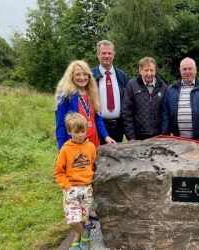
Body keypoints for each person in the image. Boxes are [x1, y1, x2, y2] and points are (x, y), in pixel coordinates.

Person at [54, 113, 96, 250]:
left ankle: (78, 240)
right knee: (73, 220)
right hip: (71, 189)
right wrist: (67, 186)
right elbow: (58, 172)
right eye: (76, 132)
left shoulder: (91, 147)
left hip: (87, 189)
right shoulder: (66, 149)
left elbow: (94, 166)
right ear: (69, 131)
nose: (80, 135)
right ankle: (85, 235)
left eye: (82, 131)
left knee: (83, 218)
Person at [55, 60, 115, 149]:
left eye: (85, 74)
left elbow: (98, 119)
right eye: (78, 74)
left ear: (89, 76)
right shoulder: (65, 95)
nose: (82, 77)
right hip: (75, 143)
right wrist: (61, 147)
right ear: (71, 76)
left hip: (93, 142)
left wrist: (106, 136)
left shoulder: (93, 93)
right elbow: (60, 124)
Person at [162, 57, 199, 142]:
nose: (187, 72)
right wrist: (165, 133)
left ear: (195, 70)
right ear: (180, 71)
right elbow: (165, 113)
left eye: (190, 69)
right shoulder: (171, 89)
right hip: (178, 139)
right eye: (184, 69)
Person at [91, 40, 128, 143]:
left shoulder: (122, 75)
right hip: (97, 125)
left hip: (118, 127)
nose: (107, 56)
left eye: (109, 53)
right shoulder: (90, 76)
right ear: (98, 55)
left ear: (114, 55)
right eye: (103, 53)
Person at [122, 57, 167, 140]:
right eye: (146, 70)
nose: (149, 73)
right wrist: (131, 137)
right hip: (138, 136)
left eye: (151, 70)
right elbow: (126, 112)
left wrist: (164, 134)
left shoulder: (162, 86)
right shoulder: (132, 85)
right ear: (140, 71)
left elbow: (166, 112)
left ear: (155, 70)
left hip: (158, 135)